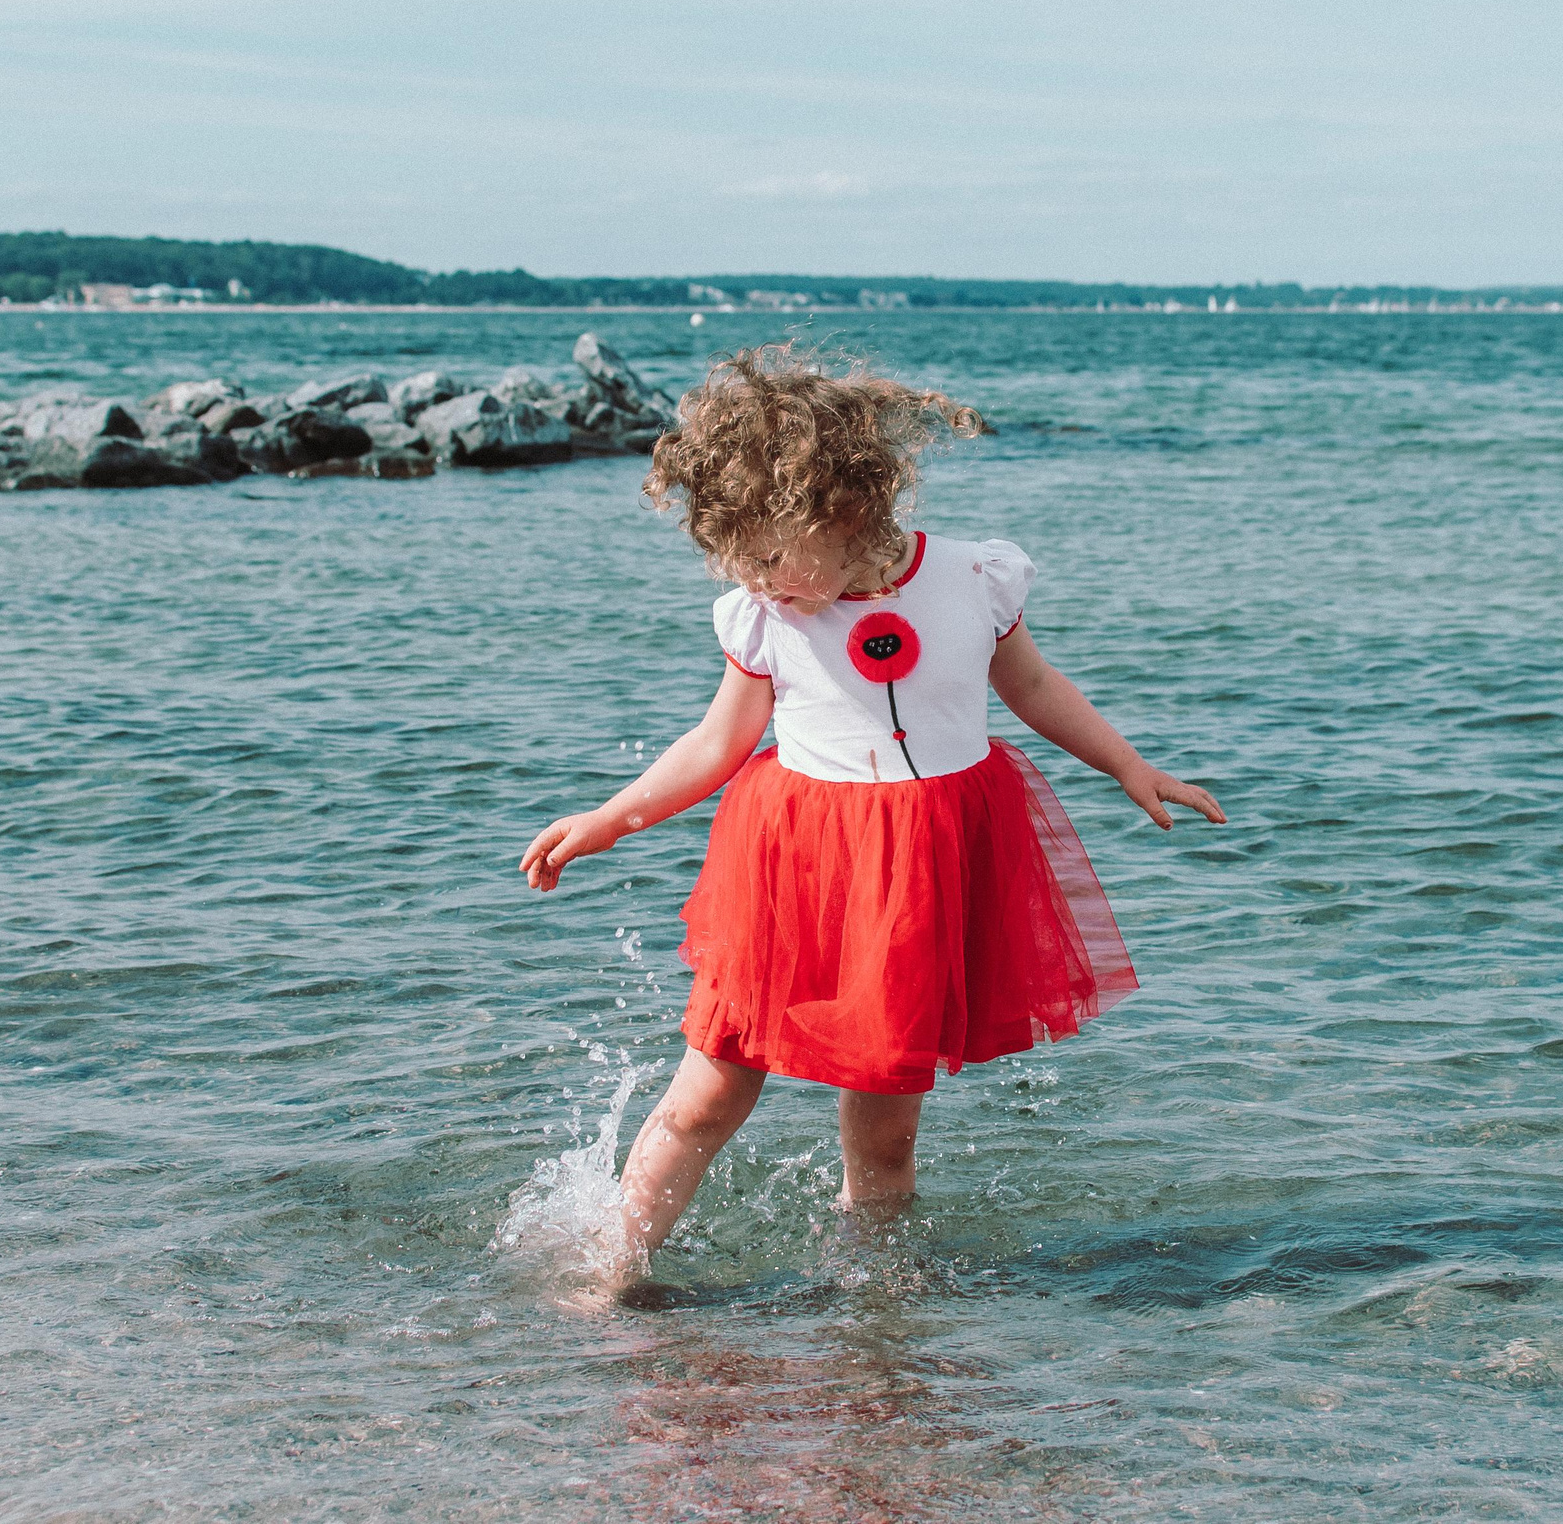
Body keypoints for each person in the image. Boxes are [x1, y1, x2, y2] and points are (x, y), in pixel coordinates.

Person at [519, 343, 1224, 1285]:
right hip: (796, 870)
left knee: (886, 1133)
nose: (756, 578)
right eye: (739, 561)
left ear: (844, 512)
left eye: (770, 555)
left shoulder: (973, 579)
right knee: (710, 1091)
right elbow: (716, 744)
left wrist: (1128, 765)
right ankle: (613, 1263)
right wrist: (609, 819)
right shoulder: (769, 616)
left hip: (917, 880)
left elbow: (1033, 687)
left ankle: (874, 1302)